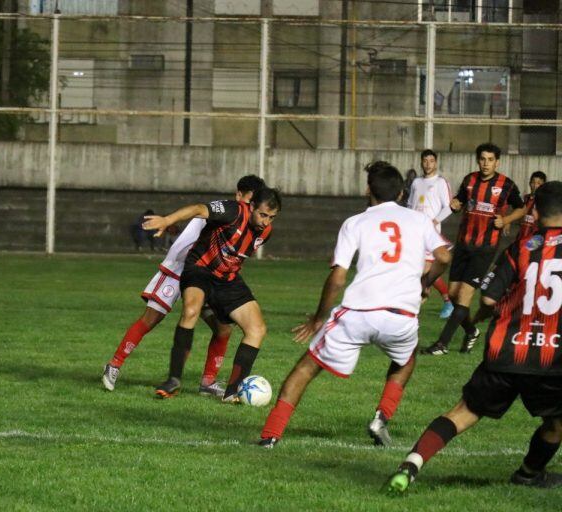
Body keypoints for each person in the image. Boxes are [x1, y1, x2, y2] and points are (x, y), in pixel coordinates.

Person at [258, 162, 451, 449]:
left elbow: (337, 278)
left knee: (306, 368)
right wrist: (425, 283)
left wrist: (318, 319)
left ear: (367, 190)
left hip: (358, 314)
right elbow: (444, 258)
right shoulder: (420, 220)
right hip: (402, 316)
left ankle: (270, 436)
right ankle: (381, 417)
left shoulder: (355, 222)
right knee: (406, 360)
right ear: (401, 193)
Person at [385, 181, 562, 494]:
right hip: (551, 360)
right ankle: (529, 473)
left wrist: (483, 318)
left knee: (463, 412)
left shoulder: (521, 247)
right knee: (556, 424)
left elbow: (490, 300)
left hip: (504, 352)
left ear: (534, 211)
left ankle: (411, 463)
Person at [102, 175, 266, 395]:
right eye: (248, 201)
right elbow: (196, 210)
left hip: (209, 276)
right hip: (180, 268)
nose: (250, 208)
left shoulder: (251, 222)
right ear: (238, 195)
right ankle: (114, 365)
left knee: (223, 328)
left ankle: (208, 382)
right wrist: (168, 220)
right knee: (151, 318)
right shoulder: (225, 211)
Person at [144, 187, 282, 401]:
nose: (266, 222)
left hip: (227, 278)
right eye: (263, 215)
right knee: (190, 310)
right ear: (251, 206)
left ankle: (232, 392)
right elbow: (199, 209)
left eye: (272, 218)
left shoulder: (265, 232)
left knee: (257, 329)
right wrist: (167, 220)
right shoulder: (233, 210)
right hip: (200, 269)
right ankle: (173, 380)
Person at [421, 142, 525, 356]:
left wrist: (506, 219)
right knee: (452, 293)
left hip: (485, 248)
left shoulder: (506, 185)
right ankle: (471, 331)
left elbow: (522, 208)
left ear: (497, 162)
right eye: (482, 159)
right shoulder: (470, 180)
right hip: (463, 244)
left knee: (464, 297)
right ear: (478, 160)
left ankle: (442, 344)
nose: (486, 163)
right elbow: (459, 201)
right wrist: (455, 205)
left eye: (490, 160)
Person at [408, 149, 454, 319]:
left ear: (436, 163)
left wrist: (434, 222)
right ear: (421, 162)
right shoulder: (416, 182)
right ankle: (446, 300)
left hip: (430, 234)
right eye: (425, 161)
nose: (428, 164)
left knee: (424, 269)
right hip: (415, 232)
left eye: (431, 161)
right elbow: (411, 205)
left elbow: (449, 206)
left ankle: (418, 299)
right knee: (424, 271)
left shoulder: (441, 182)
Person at [515, 171, 547, 242]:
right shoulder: (526, 198)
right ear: (530, 183)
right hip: (521, 236)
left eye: (539, 183)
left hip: (534, 239)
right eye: (533, 182)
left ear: (543, 186)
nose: (535, 185)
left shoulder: (544, 201)